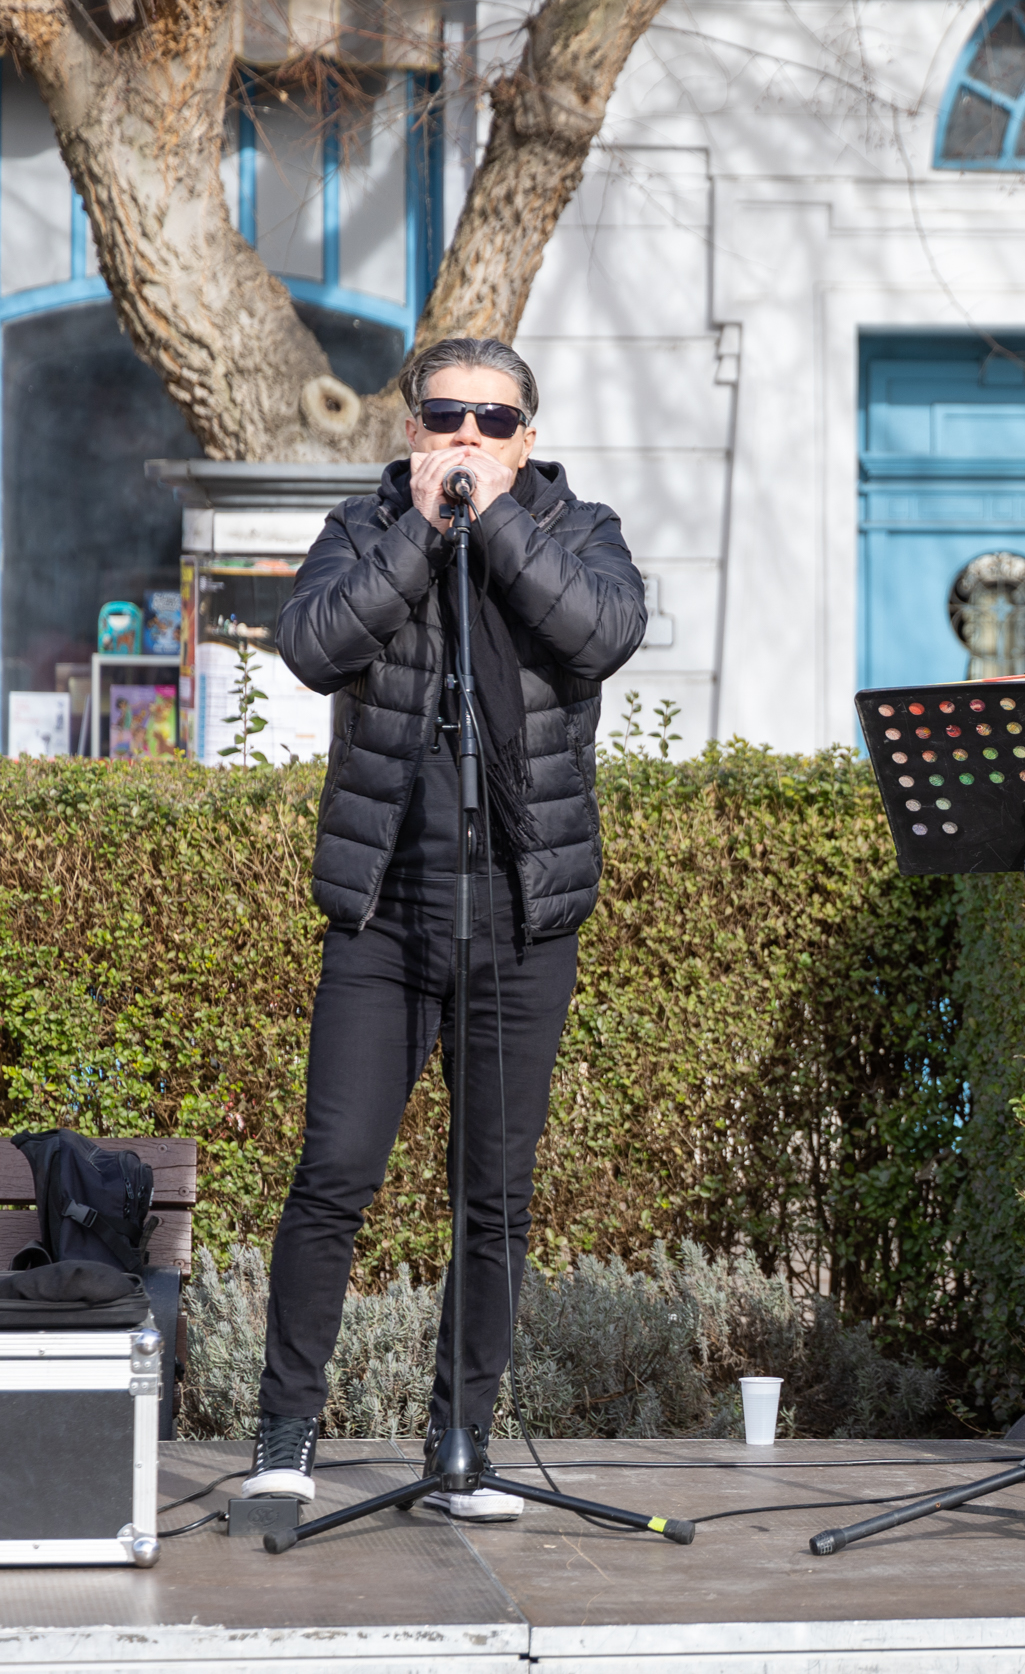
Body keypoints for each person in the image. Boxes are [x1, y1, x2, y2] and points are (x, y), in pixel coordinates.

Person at [241, 338, 646, 1517]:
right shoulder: (365, 527)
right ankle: (284, 1437)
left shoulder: (580, 531)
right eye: (447, 416)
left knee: (494, 1199)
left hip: (521, 915)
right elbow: (312, 648)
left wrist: (494, 522)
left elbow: (601, 635)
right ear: (411, 430)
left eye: (493, 419)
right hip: (385, 913)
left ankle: (459, 1444)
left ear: (528, 438)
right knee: (334, 1176)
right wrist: (423, 532)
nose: (468, 434)